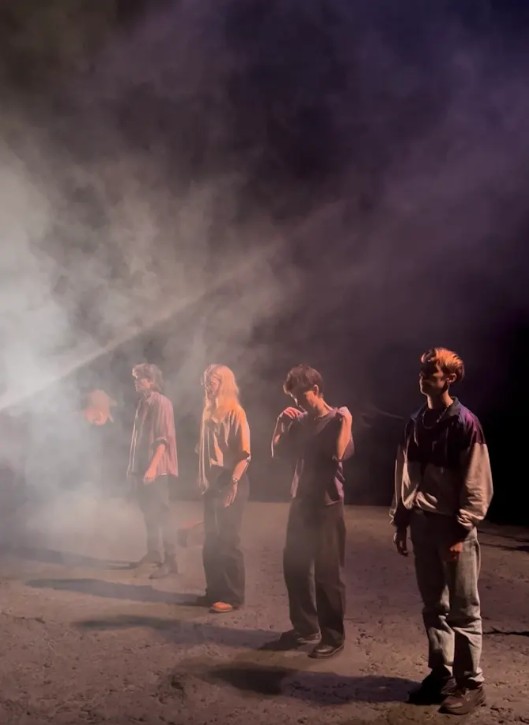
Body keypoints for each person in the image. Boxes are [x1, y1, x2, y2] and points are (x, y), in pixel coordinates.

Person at [390, 347, 493, 716]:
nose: (423, 378)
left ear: (450, 378)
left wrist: (461, 529)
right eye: (422, 372)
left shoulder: (465, 423)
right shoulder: (416, 421)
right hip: (423, 522)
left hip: (451, 526)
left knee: (464, 609)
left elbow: (477, 480)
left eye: (430, 373)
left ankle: (472, 683)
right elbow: (404, 473)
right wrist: (401, 520)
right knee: (434, 606)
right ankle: (442, 674)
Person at [271, 363, 354, 659]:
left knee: (327, 574)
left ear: (315, 390)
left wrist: (348, 423)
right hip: (302, 502)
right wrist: (281, 423)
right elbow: (277, 453)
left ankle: (333, 636)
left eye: (300, 396)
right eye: (293, 398)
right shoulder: (300, 421)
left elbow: (340, 453)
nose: (297, 402)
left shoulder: (337, 419)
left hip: (328, 503)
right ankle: (306, 627)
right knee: (294, 567)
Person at [197, 364, 250, 613]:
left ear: (224, 384)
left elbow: (245, 455)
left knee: (228, 540)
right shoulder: (208, 412)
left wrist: (233, 484)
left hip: (230, 480)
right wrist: (202, 479)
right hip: (213, 483)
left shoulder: (235, 412)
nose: (207, 384)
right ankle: (214, 591)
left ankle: (232, 596)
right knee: (211, 540)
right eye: (206, 379)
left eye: (213, 380)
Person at [127, 363, 179, 579]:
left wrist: (152, 468)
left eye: (140, 378)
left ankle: (171, 560)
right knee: (148, 511)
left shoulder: (161, 403)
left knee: (162, 513)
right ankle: (153, 552)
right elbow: (138, 439)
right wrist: (133, 467)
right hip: (143, 466)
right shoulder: (143, 403)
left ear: (151, 380)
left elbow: (163, 439)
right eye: (135, 378)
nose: (136, 382)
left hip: (156, 467)